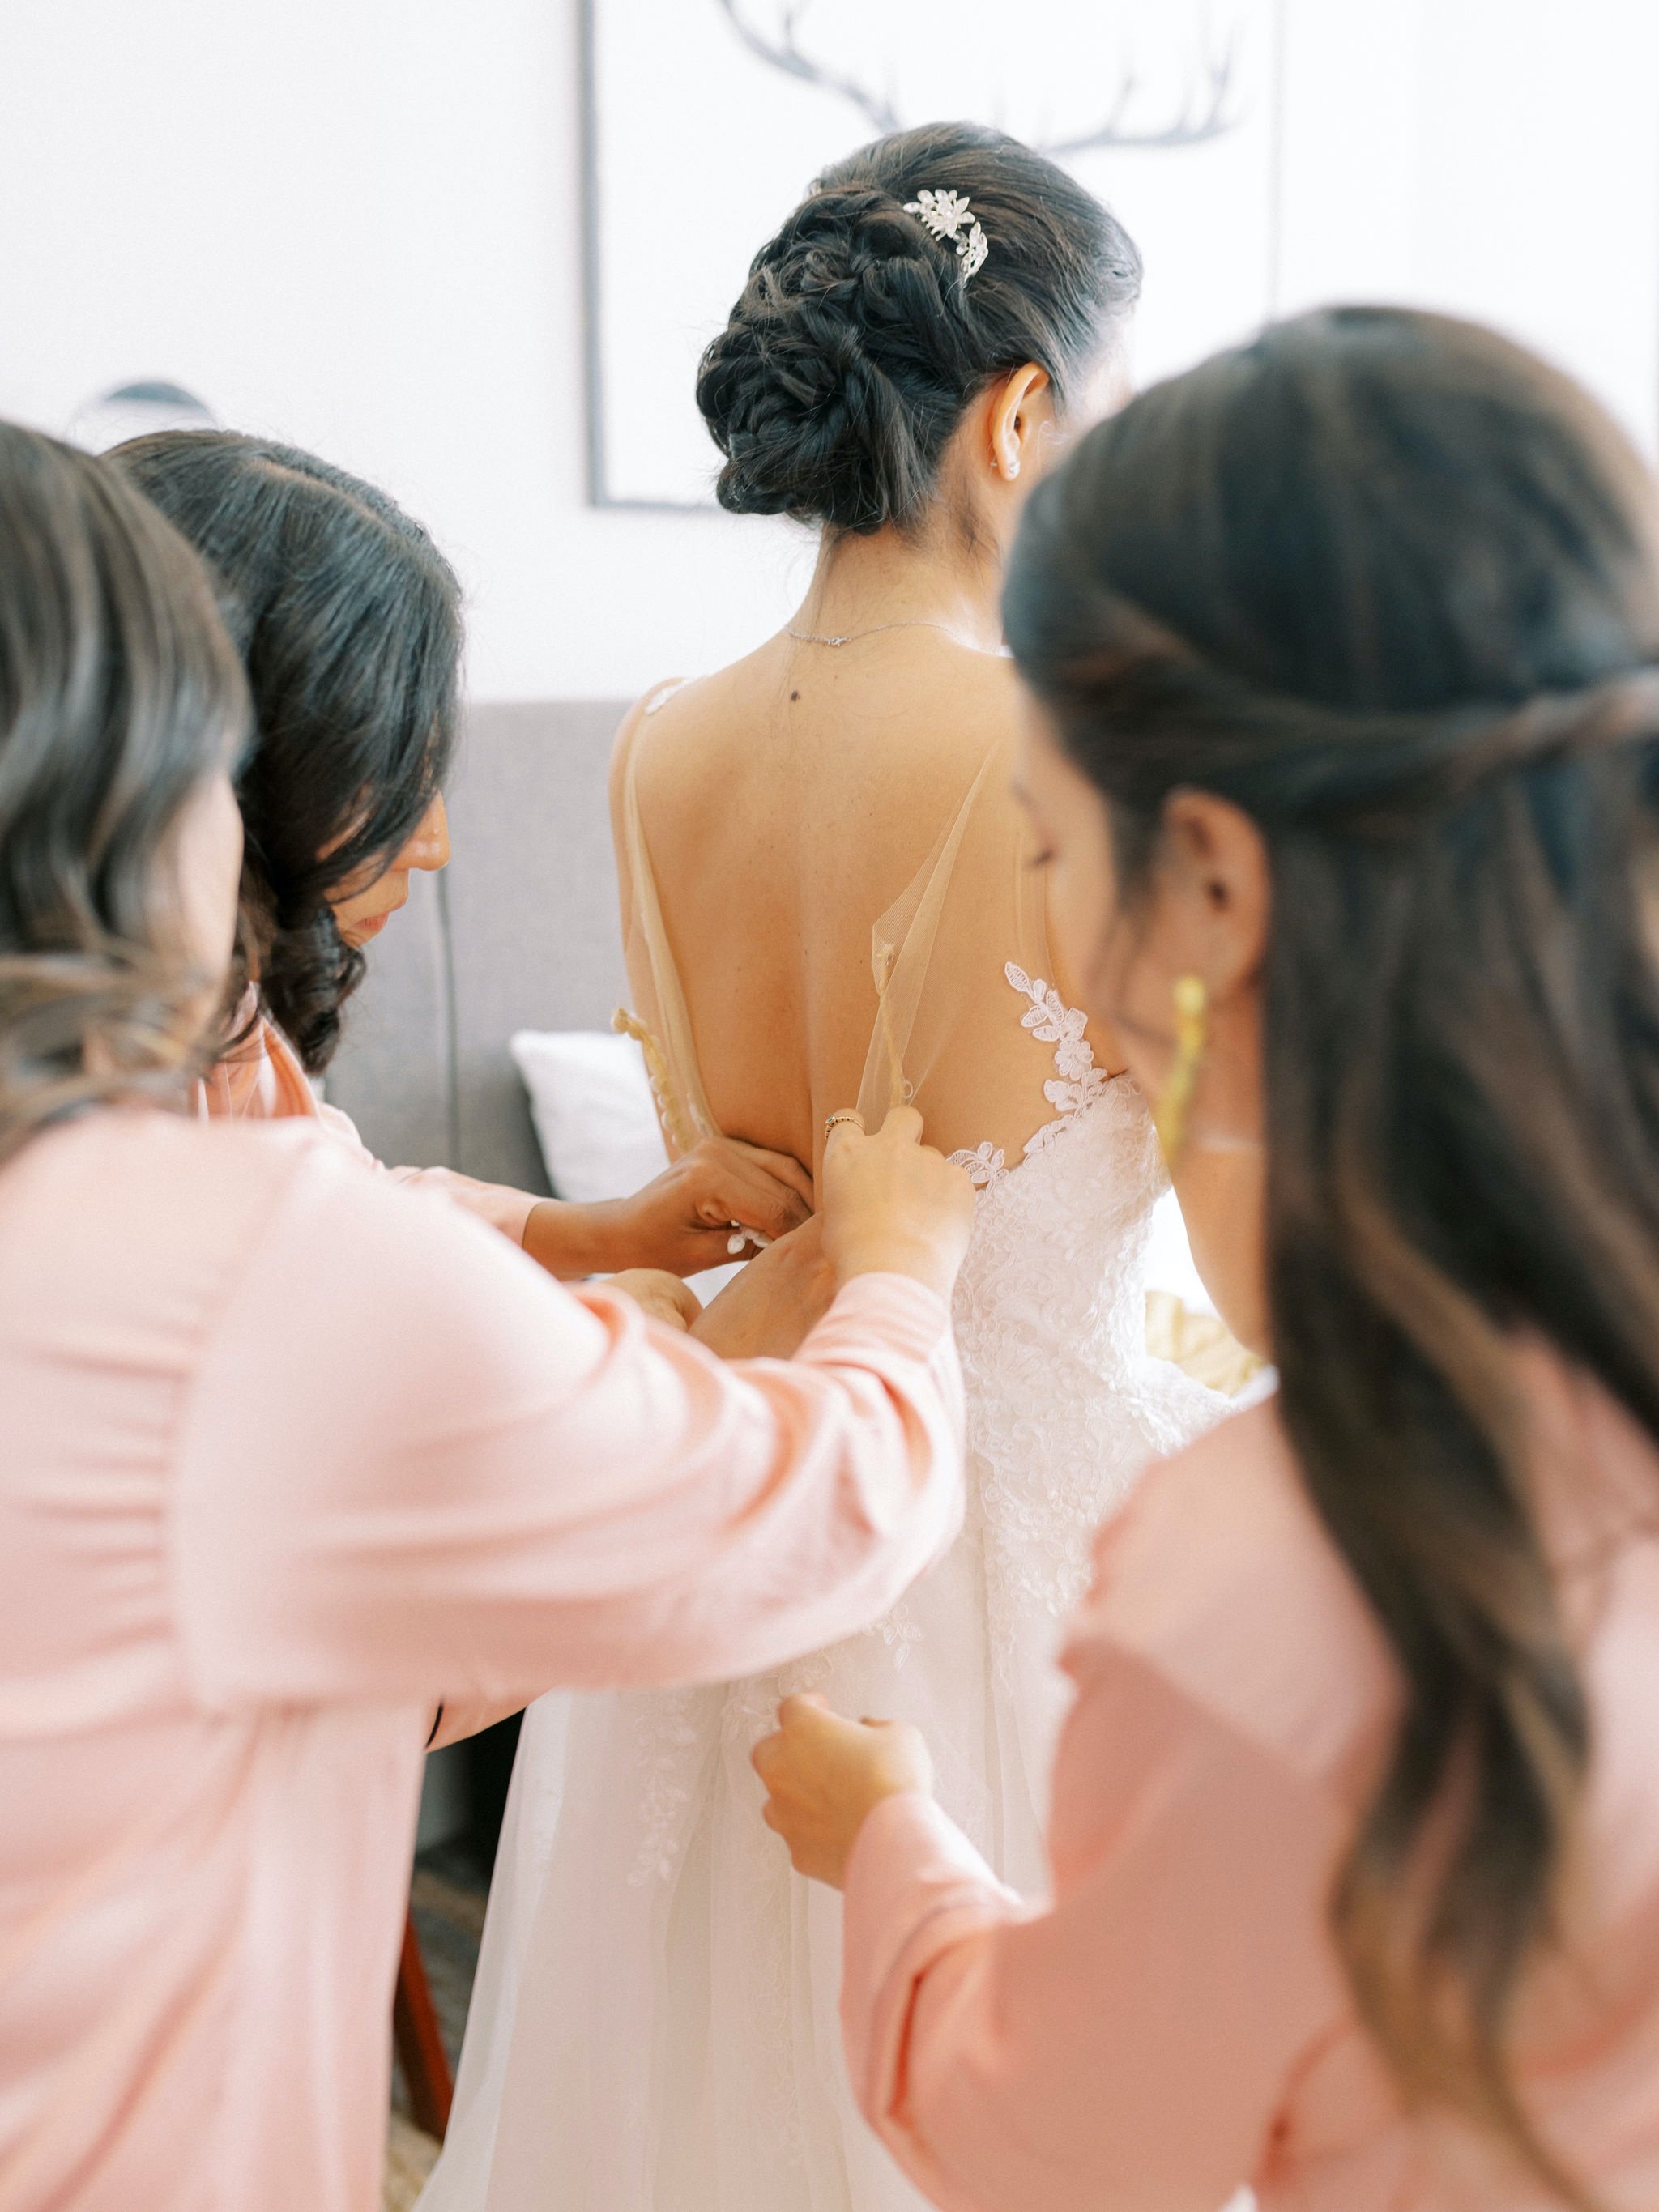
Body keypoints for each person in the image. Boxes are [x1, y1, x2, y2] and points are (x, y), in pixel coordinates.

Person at [0, 419, 976, 2212]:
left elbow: (351, 1225)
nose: (440, 838)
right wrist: (896, 1279)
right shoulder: (233, 1269)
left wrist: (576, 1232)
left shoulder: (162, 1160)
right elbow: (817, 1506)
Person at [755, 307, 1659, 2211]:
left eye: (1048, 845)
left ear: (1217, 884)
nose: (1054, 926)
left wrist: (900, 1851)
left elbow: (1059, 2142)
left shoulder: (1288, 1581)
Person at [429, 121, 1222, 2212]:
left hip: (718, 1507)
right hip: (1012, 1526)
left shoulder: (657, 732)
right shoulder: (1090, 746)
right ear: (1026, 411)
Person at [110, 431, 813, 1283]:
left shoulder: (217, 1015)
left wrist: (606, 1233)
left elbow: (343, 1206)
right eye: (386, 777)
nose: (434, 844)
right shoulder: (95, 1104)